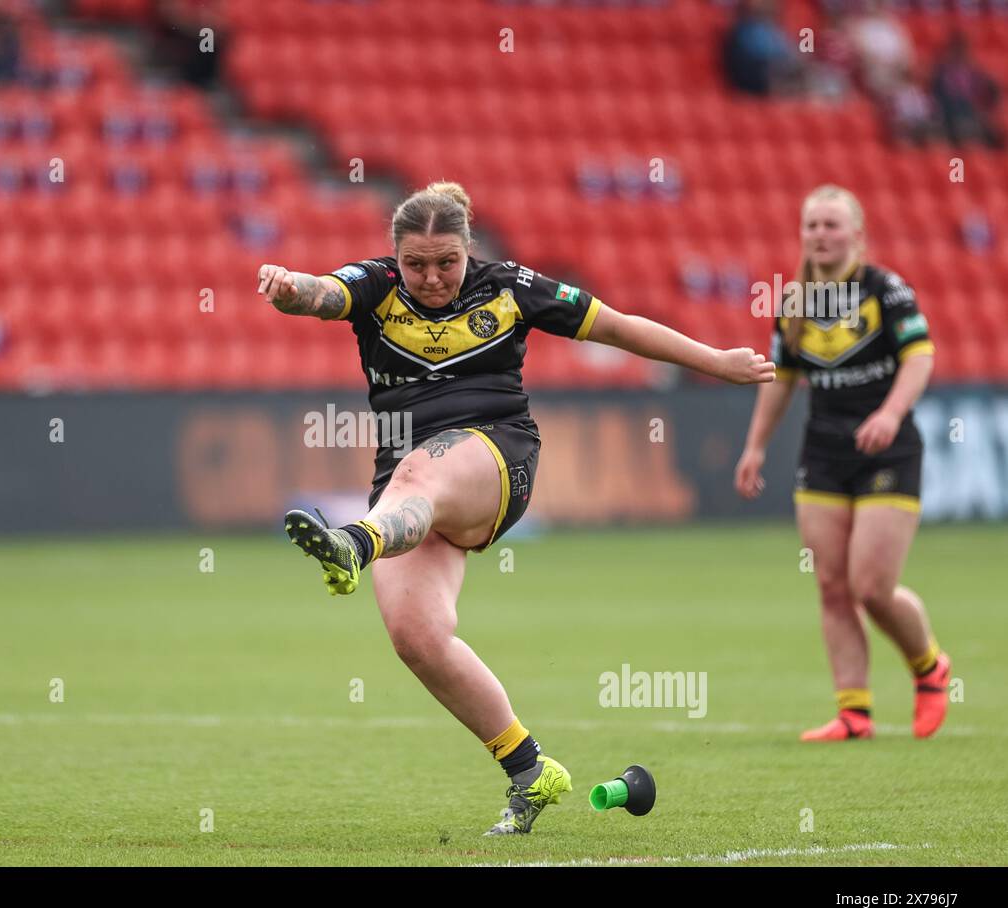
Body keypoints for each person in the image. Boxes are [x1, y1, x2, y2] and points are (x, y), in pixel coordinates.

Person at [257, 181, 774, 835]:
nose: (432, 277)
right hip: (409, 489)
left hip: (498, 460)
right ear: (396, 255)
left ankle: (354, 544)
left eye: (446, 261)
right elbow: (321, 292)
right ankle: (530, 769)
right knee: (416, 637)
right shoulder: (378, 287)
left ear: (468, 249)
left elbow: (618, 325)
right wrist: (288, 287)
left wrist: (716, 362)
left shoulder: (510, 287)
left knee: (420, 471)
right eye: (416, 263)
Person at [734, 183, 950, 742]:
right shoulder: (794, 303)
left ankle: (929, 668)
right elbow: (781, 378)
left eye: (832, 225)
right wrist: (755, 445)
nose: (821, 235)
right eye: (812, 226)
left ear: (858, 234)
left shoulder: (886, 290)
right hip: (824, 453)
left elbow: (920, 356)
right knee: (832, 584)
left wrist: (890, 413)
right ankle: (854, 712)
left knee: (872, 585)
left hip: (888, 449)